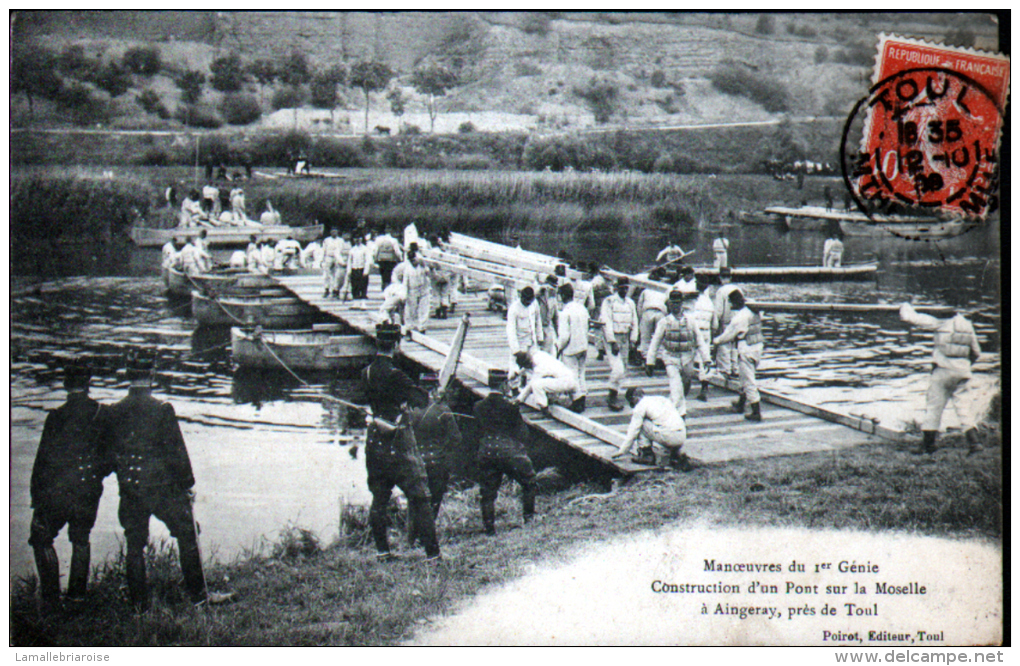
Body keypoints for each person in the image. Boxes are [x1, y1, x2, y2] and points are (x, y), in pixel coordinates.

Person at [107, 351, 234, 609]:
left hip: (130, 489)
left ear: (128, 376)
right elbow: (177, 453)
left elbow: (109, 455)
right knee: (187, 531)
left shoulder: (114, 411)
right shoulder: (162, 410)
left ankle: (138, 606)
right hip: (161, 489)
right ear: (152, 375)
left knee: (134, 543)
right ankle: (199, 597)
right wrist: (187, 485)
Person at [29, 358, 111, 611]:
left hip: (58, 489)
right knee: (81, 538)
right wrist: (95, 475)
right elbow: (110, 459)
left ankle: (52, 599)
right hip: (88, 490)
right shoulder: (102, 414)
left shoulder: (56, 417)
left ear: (65, 384)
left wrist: (37, 497)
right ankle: (77, 597)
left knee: (41, 536)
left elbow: (42, 461)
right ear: (89, 384)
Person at [362, 324, 441, 562]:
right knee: (420, 496)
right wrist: (430, 397)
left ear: (378, 343)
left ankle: (382, 552)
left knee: (379, 496)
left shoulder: (365, 372)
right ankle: (433, 555)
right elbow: (420, 399)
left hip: (375, 438)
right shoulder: (396, 375)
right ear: (396, 345)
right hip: (398, 441)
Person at [899, 303, 982, 454]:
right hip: (963, 371)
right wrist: (964, 364)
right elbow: (976, 352)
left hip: (943, 370)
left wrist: (905, 305)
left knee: (934, 408)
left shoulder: (940, 322)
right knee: (963, 408)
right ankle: (974, 444)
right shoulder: (967, 325)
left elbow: (910, 317)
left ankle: (928, 445)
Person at [474, 368, 537, 536]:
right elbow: (522, 433)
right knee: (529, 481)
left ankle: (489, 529)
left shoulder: (478, 406)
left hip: (486, 450)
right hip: (509, 450)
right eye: (507, 384)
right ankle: (529, 519)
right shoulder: (510, 406)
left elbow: (478, 430)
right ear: (503, 385)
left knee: (487, 493)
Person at [408, 374, 462, 530]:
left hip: (415, 462)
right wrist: (442, 449)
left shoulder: (409, 411)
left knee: (415, 500)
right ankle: (427, 533)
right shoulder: (442, 410)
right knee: (435, 498)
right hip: (437, 462)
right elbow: (456, 438)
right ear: (433, 390)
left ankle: (413, 535)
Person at [647, 290, 710, 417]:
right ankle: (680, 417)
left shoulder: (691, 321)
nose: (675, 306)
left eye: (677, 303)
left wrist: (706, 359)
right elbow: (655, 343)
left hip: (687, 358)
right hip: (671, 358)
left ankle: (669, 409)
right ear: (669, 304)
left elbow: (699, 340)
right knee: (676, 387)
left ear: (682, 304)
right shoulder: (664, 322)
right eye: (672, 303)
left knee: (684, 388)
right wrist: (650, 362)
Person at [714, 290, 765, 422]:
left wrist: (715, 341)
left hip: (746, 349)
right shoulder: (755, 310)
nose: (730, 306)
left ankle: (756, 412)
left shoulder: (739, 318)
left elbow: (728, 335)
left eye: (731, 303)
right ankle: (741, 404)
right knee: (744, 377)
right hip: (757, 347)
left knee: (748, 380)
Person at [612, 386, 689, 470]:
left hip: (669, 437)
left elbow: (633, 431)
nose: (633, 406)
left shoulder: (640, 406)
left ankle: (646, 455)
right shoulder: (660, 399)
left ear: (634, 398)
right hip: (681, 435)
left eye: (632, 403)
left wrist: (622, 451)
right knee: (663, 423)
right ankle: (675, 454)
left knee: (642, 425)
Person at [600, 277, 639, 411]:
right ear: (617, 287)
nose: (624, 290)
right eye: (621, 287)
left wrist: (633, 340)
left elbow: (635, 321)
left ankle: (627, 393)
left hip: (625, 337)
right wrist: (612, 341)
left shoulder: (630, 303)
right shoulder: (609, 301)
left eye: (626, 288)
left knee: (624, 367)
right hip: (613, 338)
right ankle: (612, 395)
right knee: (617, 369)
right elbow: (606, 322)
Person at [555, 282, 589, 413]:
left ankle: (577, 401)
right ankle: (583, 397)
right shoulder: (582, 309)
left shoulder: (565, 312)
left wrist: (558, 347)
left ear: (563, 296)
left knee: (571, 374)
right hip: (583, 346)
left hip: (570, 348)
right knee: (581, 373)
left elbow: (564, 335)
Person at [514, 349, 582, 413]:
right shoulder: (539, 355)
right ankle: (576, 401)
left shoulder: (539, 369)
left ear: (528, 363)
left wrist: (519, 400)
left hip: (566, 382)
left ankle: (544, 408)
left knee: (536, 385)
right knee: (546, 381)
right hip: (571, 378)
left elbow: (530, 386)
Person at [712, 267, 743, 379]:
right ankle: (735, 369)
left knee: (724, 346)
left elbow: (718, 311)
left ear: (720, 277)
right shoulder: (737, 288)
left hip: (726, 322)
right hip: (738, 321)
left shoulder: (721, 291)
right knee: (735, 346)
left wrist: (714, 326)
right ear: (730, 277)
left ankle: (725, 370)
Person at [691, 275, 717, 401]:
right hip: (706, 331)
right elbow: (715, 324)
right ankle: (704, 387)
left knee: (686, 357)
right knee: (704, 360)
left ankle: (683, 385)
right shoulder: (710, 302)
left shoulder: (692, 300)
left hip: (693, 331)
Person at [506, 286, 543, 373]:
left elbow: (538, 320)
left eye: (529, 301)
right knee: (515, 369)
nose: (528, 303)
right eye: (526, 301)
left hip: (532, 341)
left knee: (534, 366)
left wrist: (540, 337)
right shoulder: (514, 309)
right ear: (521, 297)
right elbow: (511, 331)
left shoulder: (534, 304)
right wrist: (516, 350)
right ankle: (513, 386)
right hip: (520, 342)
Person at [402, 249, 432, 333]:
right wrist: (405, 294)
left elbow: (429, 275)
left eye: (414, 260)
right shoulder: (407, 269)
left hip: (423, 289)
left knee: (424, 308)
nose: (413, 262)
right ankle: (409, 327)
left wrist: (425, 266)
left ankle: (422, 327)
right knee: (411, 309)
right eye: (411, 261)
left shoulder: (422, 265)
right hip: (412, 290)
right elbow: (405, 283)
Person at [636, 285, 668, 362]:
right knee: (658, 336)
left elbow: (639, 305)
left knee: (647, 336)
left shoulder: (647, 290)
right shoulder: (664, 290)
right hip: (658, 312)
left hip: (650, 312)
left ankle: (648, 357)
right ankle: (657, 357)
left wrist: (641, 317)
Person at [321, 228, 344, 297]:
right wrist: (322, 260)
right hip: (329, 257)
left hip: (337, 258)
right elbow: (324, 250)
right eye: (332, 231)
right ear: (330, 232)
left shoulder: (341, 240)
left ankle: (336, 290)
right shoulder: (327, 240)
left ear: (337, 232)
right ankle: (326, 289)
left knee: (337, 275)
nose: (334, 233)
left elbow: (342, 250)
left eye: (335, 231)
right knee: (327, 274)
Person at [347, 235, 369, 299]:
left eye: (359, 238)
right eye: (355, 238)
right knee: (354, 284)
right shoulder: (352, 249)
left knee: (363, 283)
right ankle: (355, 295)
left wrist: (366, 271)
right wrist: (349, 270)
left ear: (361, 239)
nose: (357, 240)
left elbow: (367, 260)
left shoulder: (365, 249)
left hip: (362, 268)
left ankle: (363, 294)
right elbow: (349, 261)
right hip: (354, 268)